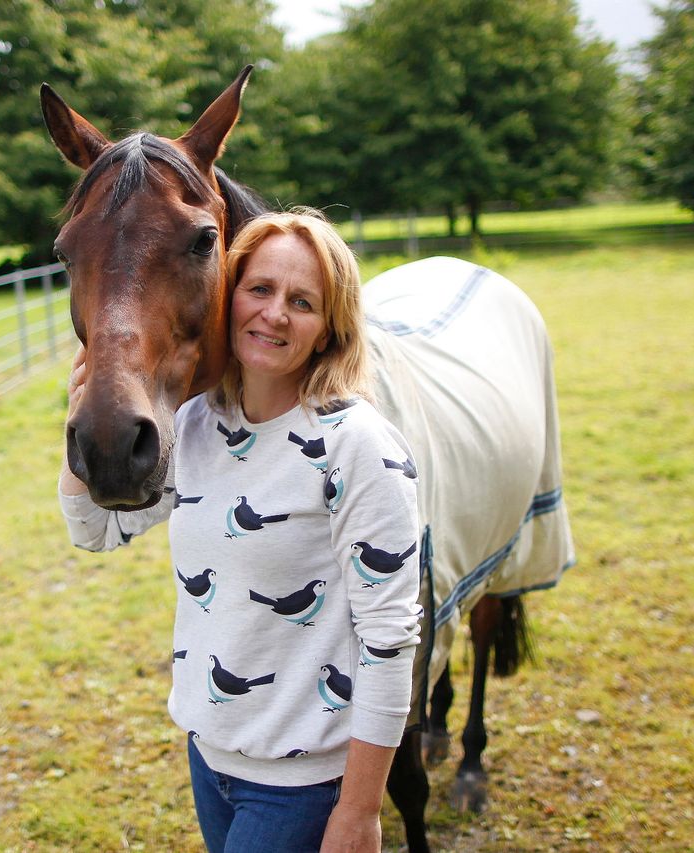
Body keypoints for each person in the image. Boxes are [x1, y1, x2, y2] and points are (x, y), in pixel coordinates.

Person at [58, 210, 422, 852]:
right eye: (260, 289)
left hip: (305, 782)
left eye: (302, 301)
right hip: (210, 759)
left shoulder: (357, 447)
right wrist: (80, 418)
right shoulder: (199, 425)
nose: (275, 314)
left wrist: (362, 808)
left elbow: (389, 641)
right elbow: (95, 531)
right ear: (227, 297)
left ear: (330, 327)